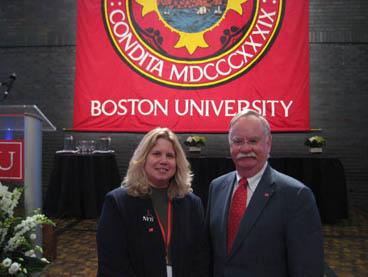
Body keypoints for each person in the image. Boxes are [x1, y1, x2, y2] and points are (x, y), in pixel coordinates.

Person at [203, 109, 325, 276]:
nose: (245, 148)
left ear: (268, 143)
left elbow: (307, 268)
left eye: (253, 141)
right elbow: (209, 253)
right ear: (230, 145)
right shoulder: (216, 187)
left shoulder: (296, 196)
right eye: (238, 141)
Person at [97, 127, 205, 277]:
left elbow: (200, 258)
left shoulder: (192, 203)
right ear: (143, 159)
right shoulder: (117, 203)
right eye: (156, 154)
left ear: (178, 162)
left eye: (170, 156)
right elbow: (113, 265)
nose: (164, 161)